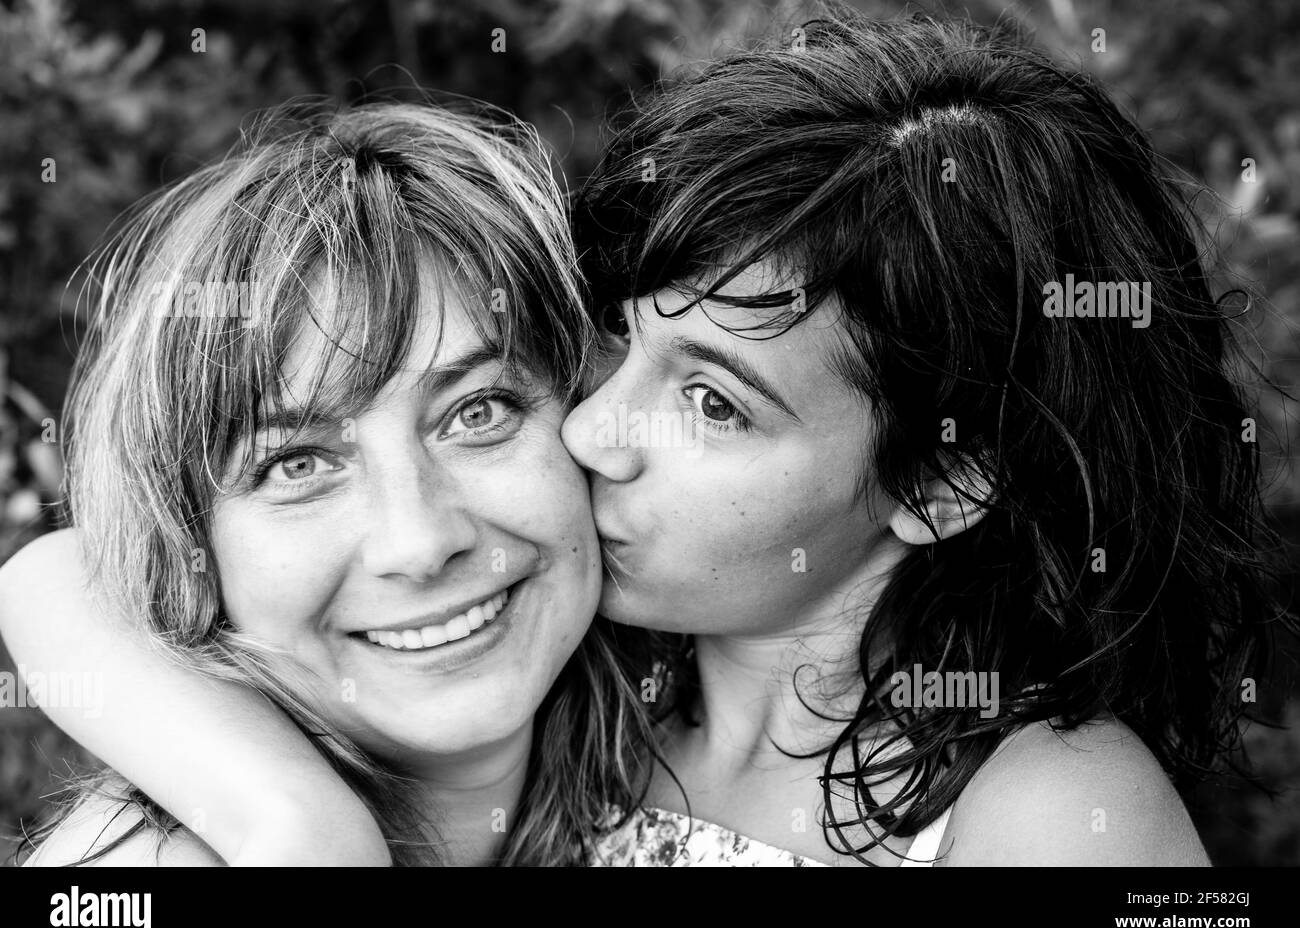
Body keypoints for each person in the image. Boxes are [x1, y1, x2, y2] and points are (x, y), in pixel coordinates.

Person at [2, 12, 1283, 865]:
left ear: (941, 480)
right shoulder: (576, 679)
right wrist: (291, 822)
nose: (601, 431)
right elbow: (65, 577)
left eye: (715, 402)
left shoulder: (1043, 809)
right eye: (617, 345)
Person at [0, 100, 651, 866]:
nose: (420, 542)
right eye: (298, 466)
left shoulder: (697, 714)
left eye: (478, 412)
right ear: (188, 545)